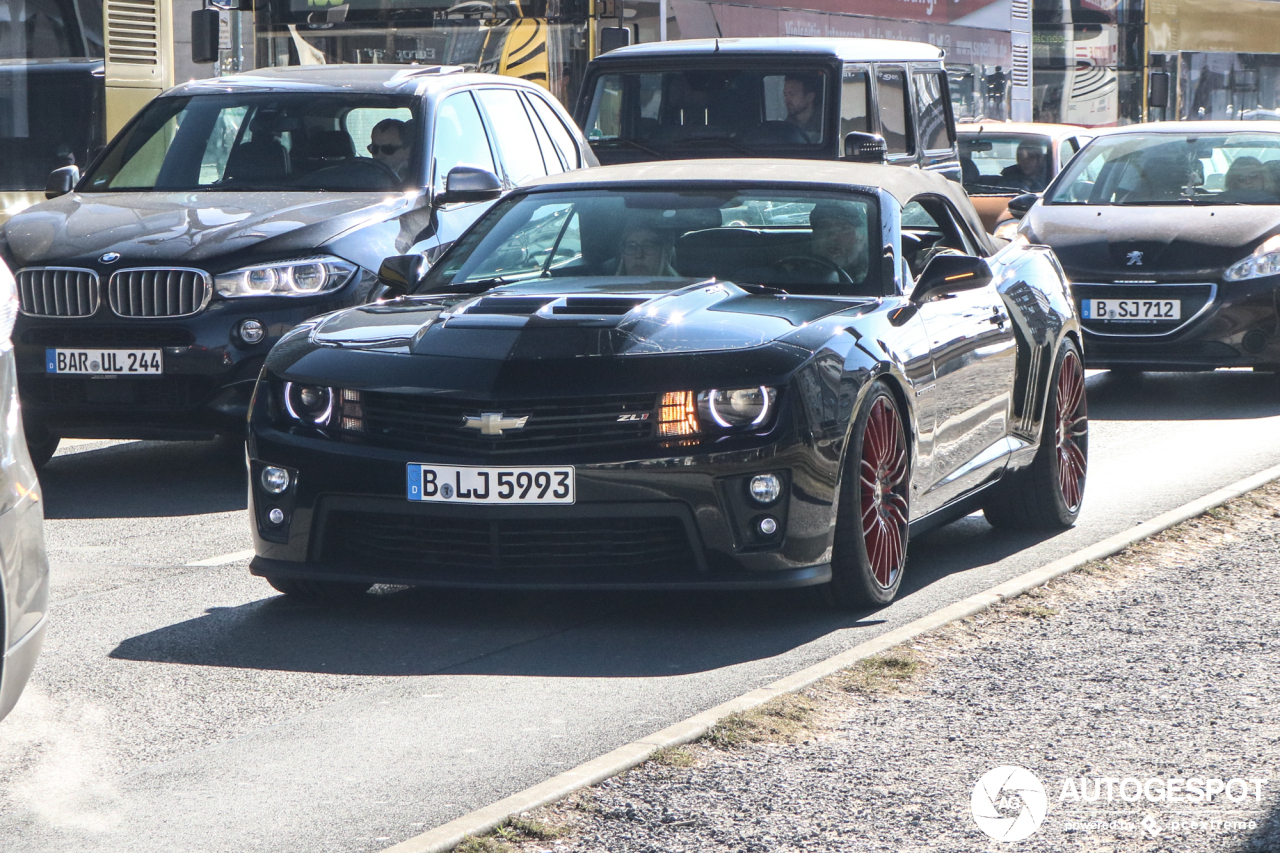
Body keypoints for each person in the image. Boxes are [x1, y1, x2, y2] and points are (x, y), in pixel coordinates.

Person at [808, 201, 869, 282]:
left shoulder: (874, 281)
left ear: (861, 240)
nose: (832, 236)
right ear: (813, 237)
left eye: (844, 229)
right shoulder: (793, 276)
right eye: (824, 227)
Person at [614, 225, 679, 277]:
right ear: (623, 255)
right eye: (631, 247)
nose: (638, 255)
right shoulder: (609, 291)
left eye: (648, 246)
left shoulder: (683, 291)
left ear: (664, 253)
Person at [783, 74, 823, 143]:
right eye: (785, 95)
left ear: (810, 97)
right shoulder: (785, 127)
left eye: (792, 94)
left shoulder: (825, 124)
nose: (787, 99)